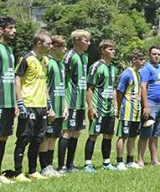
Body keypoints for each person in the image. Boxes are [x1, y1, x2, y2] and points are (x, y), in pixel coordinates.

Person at [13, 31, 53, 182]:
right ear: (39, 44)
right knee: (24, 139)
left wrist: (48, 103)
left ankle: (32, 171)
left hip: (41, 105)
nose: (50, 46)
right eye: (48, 44)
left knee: (37, 139)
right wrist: (20, 102)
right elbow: (17, 79)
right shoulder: (26, 59)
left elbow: (43, 84)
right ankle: (18, 173)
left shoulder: (45, 61)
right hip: (28, 105)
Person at [58, 29, 90, 172]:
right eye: (85, 40)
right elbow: (62, 77)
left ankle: (70, 165)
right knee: (67, 132)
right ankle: (61, 166)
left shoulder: (85, 57)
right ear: (77, 40)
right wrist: (63, 100)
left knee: (77, 132)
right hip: (70, 100)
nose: (88, 43)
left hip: (80, 102)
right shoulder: (69, 56)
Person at [0, 17, 17, 184]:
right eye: (11, 28)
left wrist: (13, 101)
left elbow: (10, 77)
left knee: (3, 137)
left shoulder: (9, 50)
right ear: (1, 29)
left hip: (8, 102)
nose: (14, 31)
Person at [84, 40, 118, 172]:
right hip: (98, 108)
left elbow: (113, 88)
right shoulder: (96, 66)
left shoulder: (113, 68)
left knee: (108, 135)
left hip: (109, 109)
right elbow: (89, 88)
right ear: (102, 50)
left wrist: (115, 106)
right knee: (93, 135)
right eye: (110, 49)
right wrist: (91, 108)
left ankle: (106, 162)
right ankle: (88, 164)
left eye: (114, 49)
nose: (113, 51)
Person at [38, 35, 68, 176]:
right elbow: (43, 86)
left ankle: (50, 166)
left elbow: (62, 87)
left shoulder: (60, 64)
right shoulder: (47, 62)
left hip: (60, 107)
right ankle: (44, 167)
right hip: (49, 107)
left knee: (54, 137)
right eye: (63, 46)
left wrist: (65, 105)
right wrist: (49, 107)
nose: (65, 49)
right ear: (54, 47)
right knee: (46, 137)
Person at [138, 46, 160, 167]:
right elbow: (143, 87)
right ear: (149, 55)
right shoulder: (146, 69)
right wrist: (146, 106)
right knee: (146, 133)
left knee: (156, 134)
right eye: (154, 54)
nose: (156, 56)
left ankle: (154, 159)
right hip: (150, 105)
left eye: (158, 54)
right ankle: (140, 159)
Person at [115, 50, 145, 170]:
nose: (143, 62)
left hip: (136, 112)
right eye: (141, 60)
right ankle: (119, 161)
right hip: (126, 111)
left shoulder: (139, 74)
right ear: (134, 60)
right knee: (123, 136)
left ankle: (130, 160)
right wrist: (118, 107)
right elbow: (119, 92)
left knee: (133, 136)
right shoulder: (126, 74)